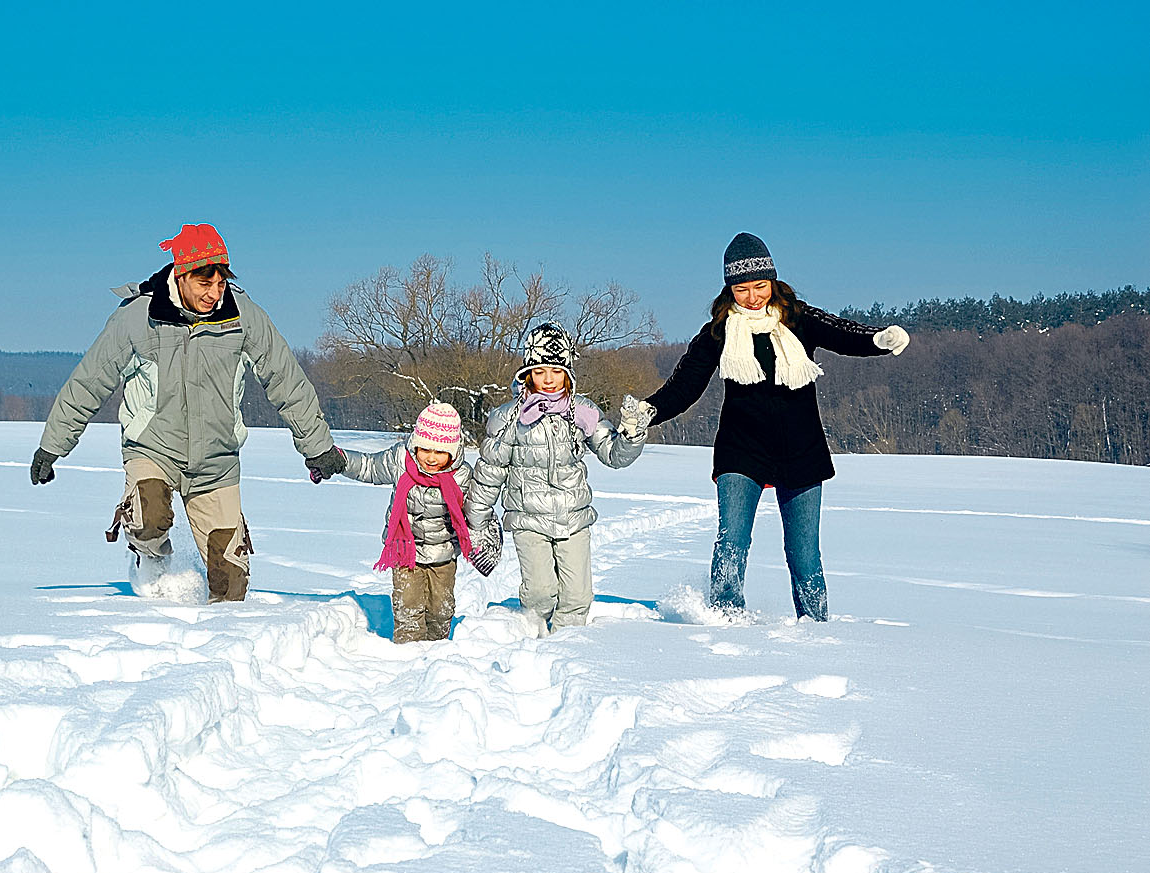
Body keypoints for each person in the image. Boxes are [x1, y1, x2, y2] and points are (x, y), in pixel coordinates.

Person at [29, 223, 347, 601]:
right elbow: (89, 382)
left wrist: (318, 446)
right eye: (204, 284)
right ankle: (151, 560)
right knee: (149, 516)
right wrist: (53, 446)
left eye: (221, 283)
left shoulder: (244, 318)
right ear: (181, 275)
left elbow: (286, 381)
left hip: (217, 462)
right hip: (153, 450)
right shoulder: (138, 317)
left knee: (231, 588)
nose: (215, 294)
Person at [621, 232, 910, 622]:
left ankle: (815, 626)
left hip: (801, 449)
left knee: (805, 552)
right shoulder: (719, 332)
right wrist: (649, 411)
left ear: (773, 281)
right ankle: (725, 619)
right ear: (729, 289)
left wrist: (878, 339)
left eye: (760, 285)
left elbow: (843, 333)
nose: (754, 296)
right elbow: (685, 384)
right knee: (732, 542)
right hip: (742, 449)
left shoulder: (799, 318)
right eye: (742, 288)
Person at [465, 323, 647, 634]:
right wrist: (478, 521)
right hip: (528, 520)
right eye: (539, 371)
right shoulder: (510, 418)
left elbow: (614, 454)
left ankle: (566, 648)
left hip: (573, 518)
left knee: (577, 597)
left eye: (556, 370)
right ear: (527, 373)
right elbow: (489, 472)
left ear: (568, 373)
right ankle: (532, 640)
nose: (548, 379)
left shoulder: (583, 412)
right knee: (539, 594)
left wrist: (632, 433)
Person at [338, 401, 476, 643]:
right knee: (407, 607)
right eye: (425, 450)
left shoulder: (462, 475)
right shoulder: (400, 460)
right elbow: (369, 467)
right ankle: (406, 656)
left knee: (440, 611)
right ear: (415, 444)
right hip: (404, 550)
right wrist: (339, 461)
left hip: (443, 554)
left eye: (440, 452)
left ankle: (437, 651)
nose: (431, 458)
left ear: (453, 452)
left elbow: (477, 510)